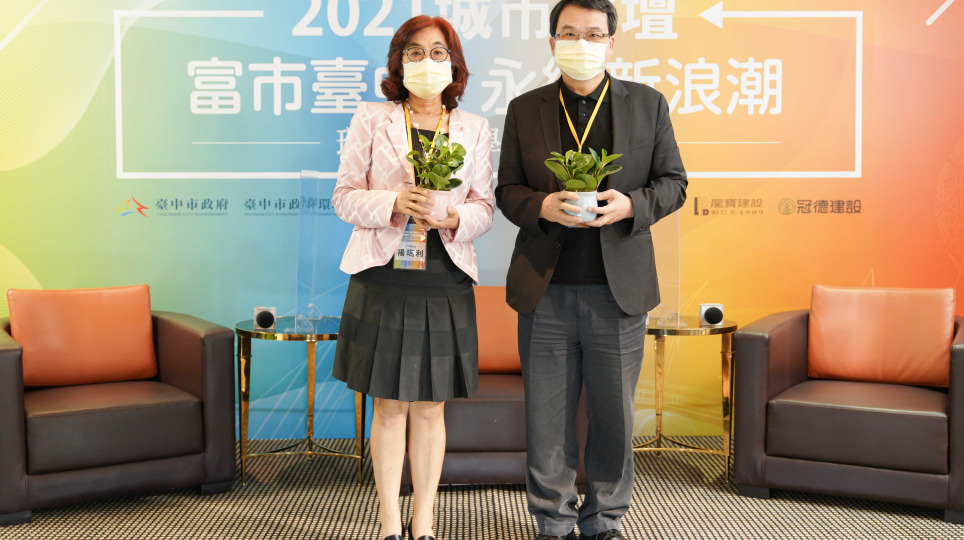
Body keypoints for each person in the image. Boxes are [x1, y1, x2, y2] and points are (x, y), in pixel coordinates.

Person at [495, 1, 687, 539]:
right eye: (570, 33)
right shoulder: (525, 108)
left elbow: (674, 183)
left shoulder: (646, 103)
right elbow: (506, 189)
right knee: (547, 419)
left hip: (617, 292)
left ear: (611, 42)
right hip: (545, 289)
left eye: (593, 34)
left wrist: (630, 205)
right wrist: (541, 206)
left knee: (614, 418)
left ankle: (603, 520)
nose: (582, 43)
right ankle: (553, 521)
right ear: (552, 41)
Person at [331, 15, 494, 540]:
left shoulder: (474, 128)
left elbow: (484, 207)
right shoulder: (372, 117)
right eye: (415, 52)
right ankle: (389, 522)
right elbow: (344, 197)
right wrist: (393, 202)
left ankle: (423, 521)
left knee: (429, 407)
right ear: (399, 62)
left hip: (444, 276)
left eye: (438, 52)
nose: (427, 62)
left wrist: (452, 216)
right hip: (384, 274)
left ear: (454, 63)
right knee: (388, 404)